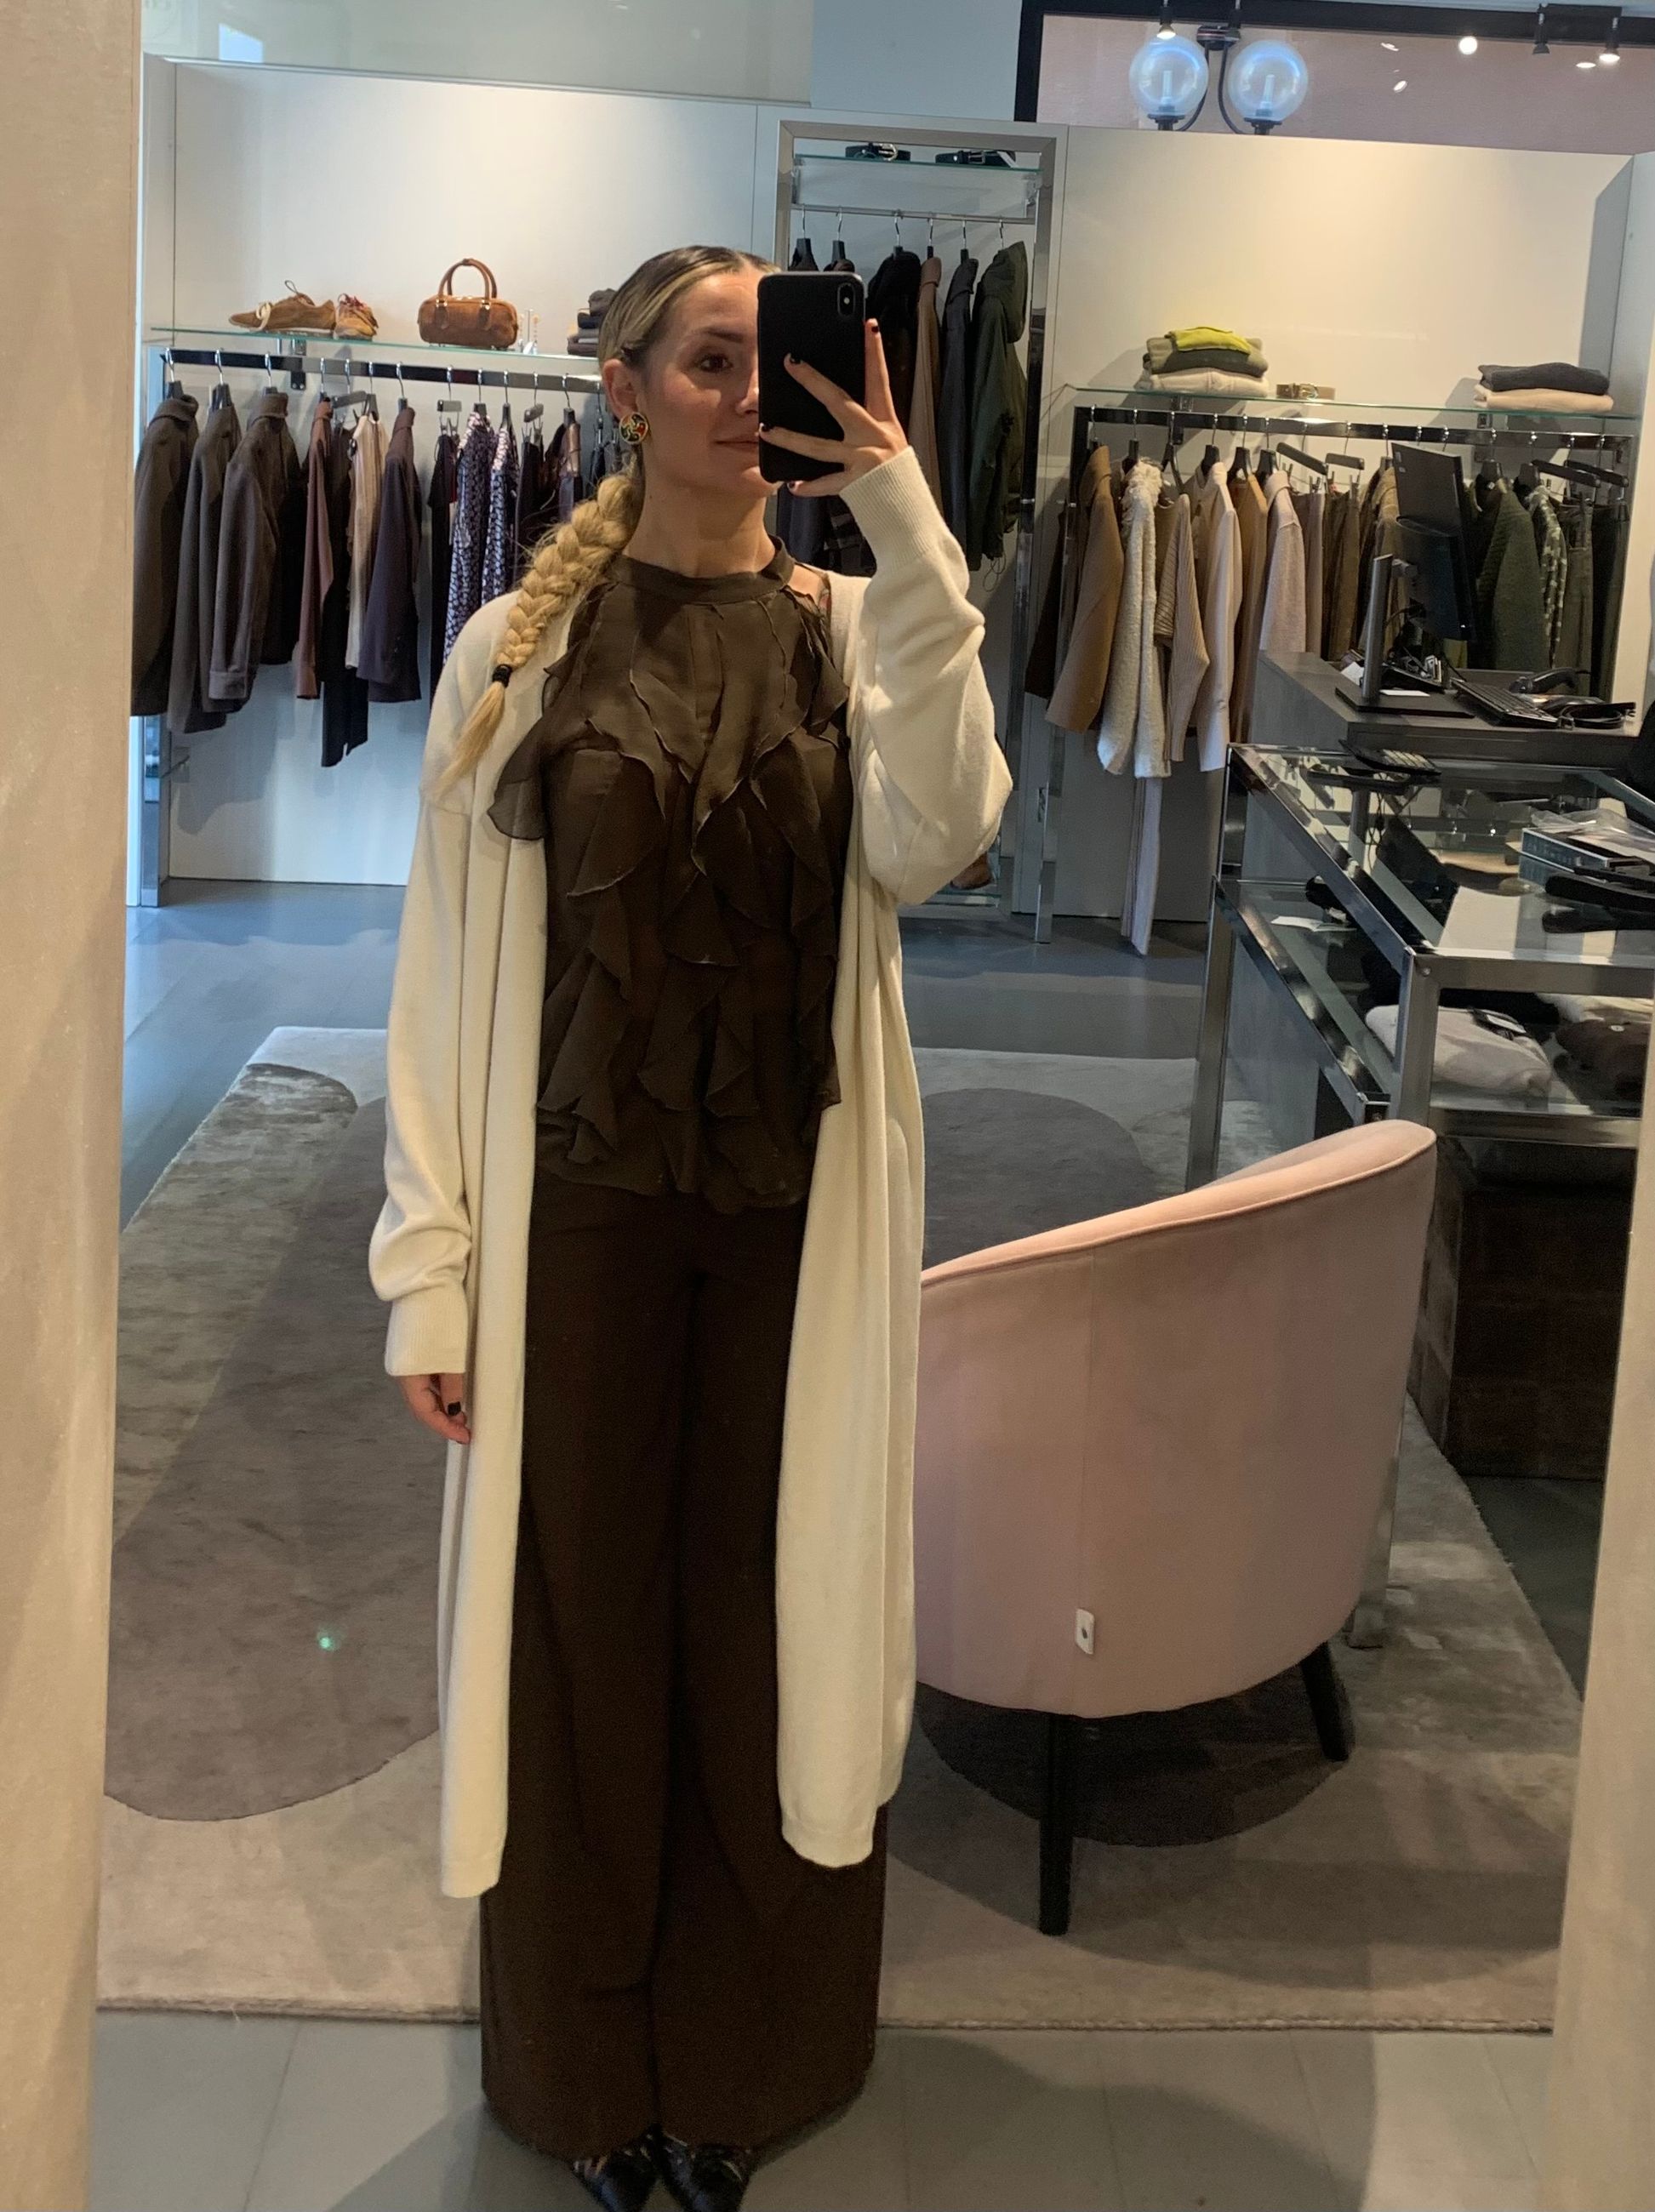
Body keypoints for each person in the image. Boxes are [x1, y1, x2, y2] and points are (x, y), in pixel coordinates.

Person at [369, 243, 1009, 2212]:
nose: (746, 396)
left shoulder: (855, 627)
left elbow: (944, 832)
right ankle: (583, 2071)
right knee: (582, 1631)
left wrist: (899, 512)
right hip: (579, 1216)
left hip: (796, 1224)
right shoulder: (519, 650)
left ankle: (743, 2061)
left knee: (767, 1622)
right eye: (709, 361)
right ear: (627, 389)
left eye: (770, 363)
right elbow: (436, 974)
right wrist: (430, 1268)